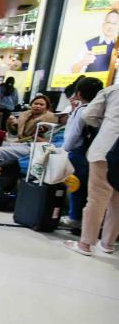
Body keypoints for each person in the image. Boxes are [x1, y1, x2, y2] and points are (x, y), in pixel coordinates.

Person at [64, 83, 119, 256]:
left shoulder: (112, 91)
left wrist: (103, 124)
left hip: (106, 149)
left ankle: (85, 243)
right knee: (117, 201)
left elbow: (89, 115)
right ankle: (108, 244)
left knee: (97, 198)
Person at [60, 78, 104, 229]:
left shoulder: (82, 110)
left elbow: (73, 134)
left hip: (77, 153)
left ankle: (74, 217)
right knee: (88, 187)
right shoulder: (98, 110)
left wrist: (64, 150)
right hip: (93, 152)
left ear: (78, 93)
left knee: (76, 186)